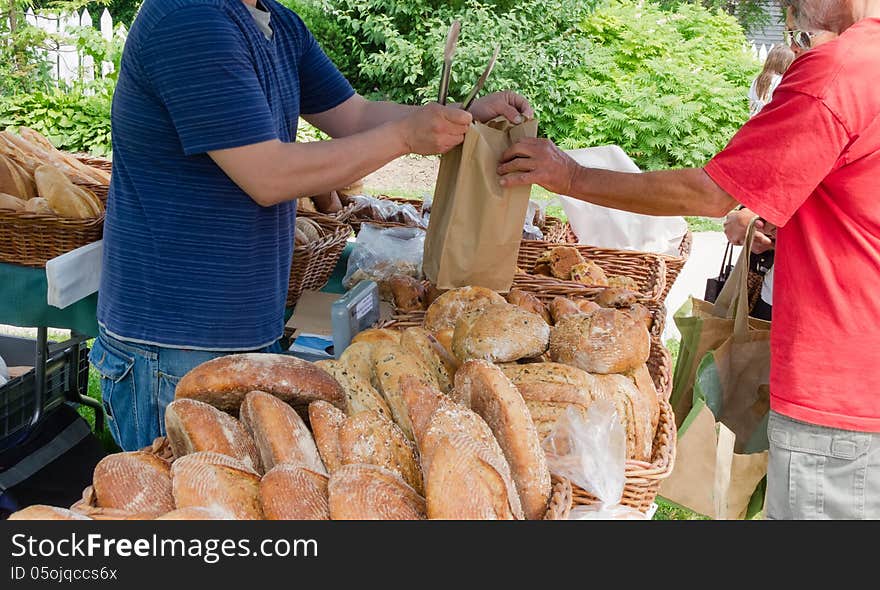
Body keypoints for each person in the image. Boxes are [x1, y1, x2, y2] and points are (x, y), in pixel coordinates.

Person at [91, 0, 534, 451]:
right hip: (174, 342)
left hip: (246, 326)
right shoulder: (190, 18)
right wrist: (404, 138)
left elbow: (355, 115)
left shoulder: (276, 22)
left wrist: (463, 115)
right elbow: (269, 175)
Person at [498, 0, 880, 519]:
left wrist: (570, 177)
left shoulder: (841, 71)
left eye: (793, 2)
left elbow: (710, 193)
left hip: (843, 397)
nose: (791, 17)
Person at [725, 28, 837, 320]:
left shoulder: (834, 103)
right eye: (791, 34)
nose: (795, 46)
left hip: (817, 306)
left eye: (804, 35)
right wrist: (764, 224)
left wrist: (750, 216)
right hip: (784, 287)